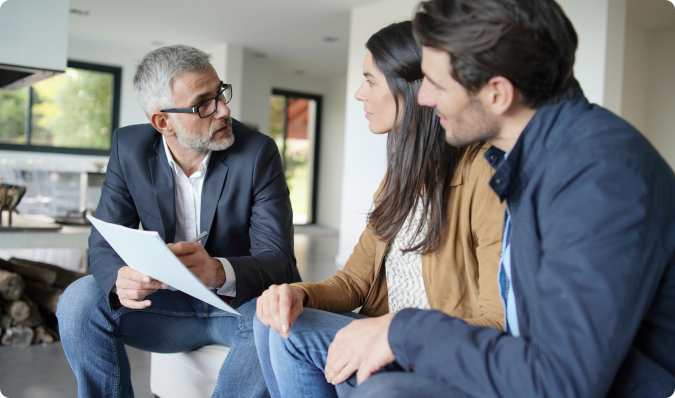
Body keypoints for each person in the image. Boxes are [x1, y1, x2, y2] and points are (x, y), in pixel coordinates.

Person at [350, 1, 675, 397]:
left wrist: (406, 330)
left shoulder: (598, 174)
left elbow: (560, 382)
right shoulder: (535, 161)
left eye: (436, 84)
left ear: (498, 94)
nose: (424, 99)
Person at [253, 21, 505, 398]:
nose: (359, 93)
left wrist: (395, 331)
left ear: (415, 88)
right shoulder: (400, 176)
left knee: (294, 335)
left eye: (370, 81)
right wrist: (297, 294)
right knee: (274, 319)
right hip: (380, 332)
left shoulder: (483, 173)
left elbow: (497, 321)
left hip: (433, 350)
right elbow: (354, 282)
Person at [56, 45, 300, 398]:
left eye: (221, 93)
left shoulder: (258, 152)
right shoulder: (130, 149)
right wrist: (119, 279)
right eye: (204, 103)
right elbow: (104, 242)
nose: (224, 110)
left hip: (242, 309)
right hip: (168, 305)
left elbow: (280, 261)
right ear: (162, 122)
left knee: (275, 322)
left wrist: (218, 271)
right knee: (79, 300)